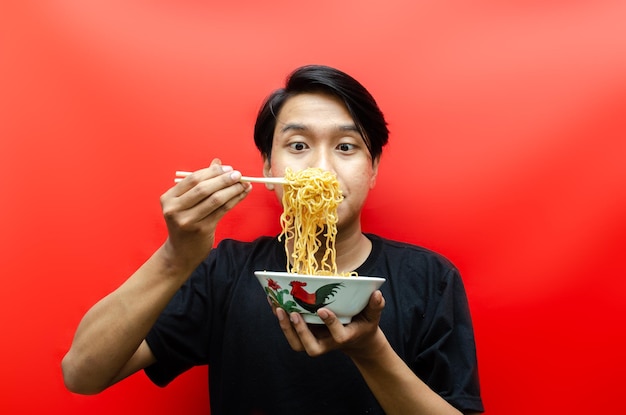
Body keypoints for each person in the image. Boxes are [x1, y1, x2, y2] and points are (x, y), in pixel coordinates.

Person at [62, 65, 484, 414]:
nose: (321, 169)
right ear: (267, 166)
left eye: (346, 147)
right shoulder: (224, 271)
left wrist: (371, 351)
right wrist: (176, 257)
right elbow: (83, 373)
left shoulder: (429, 278)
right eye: (298, 145)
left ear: (373, 169)